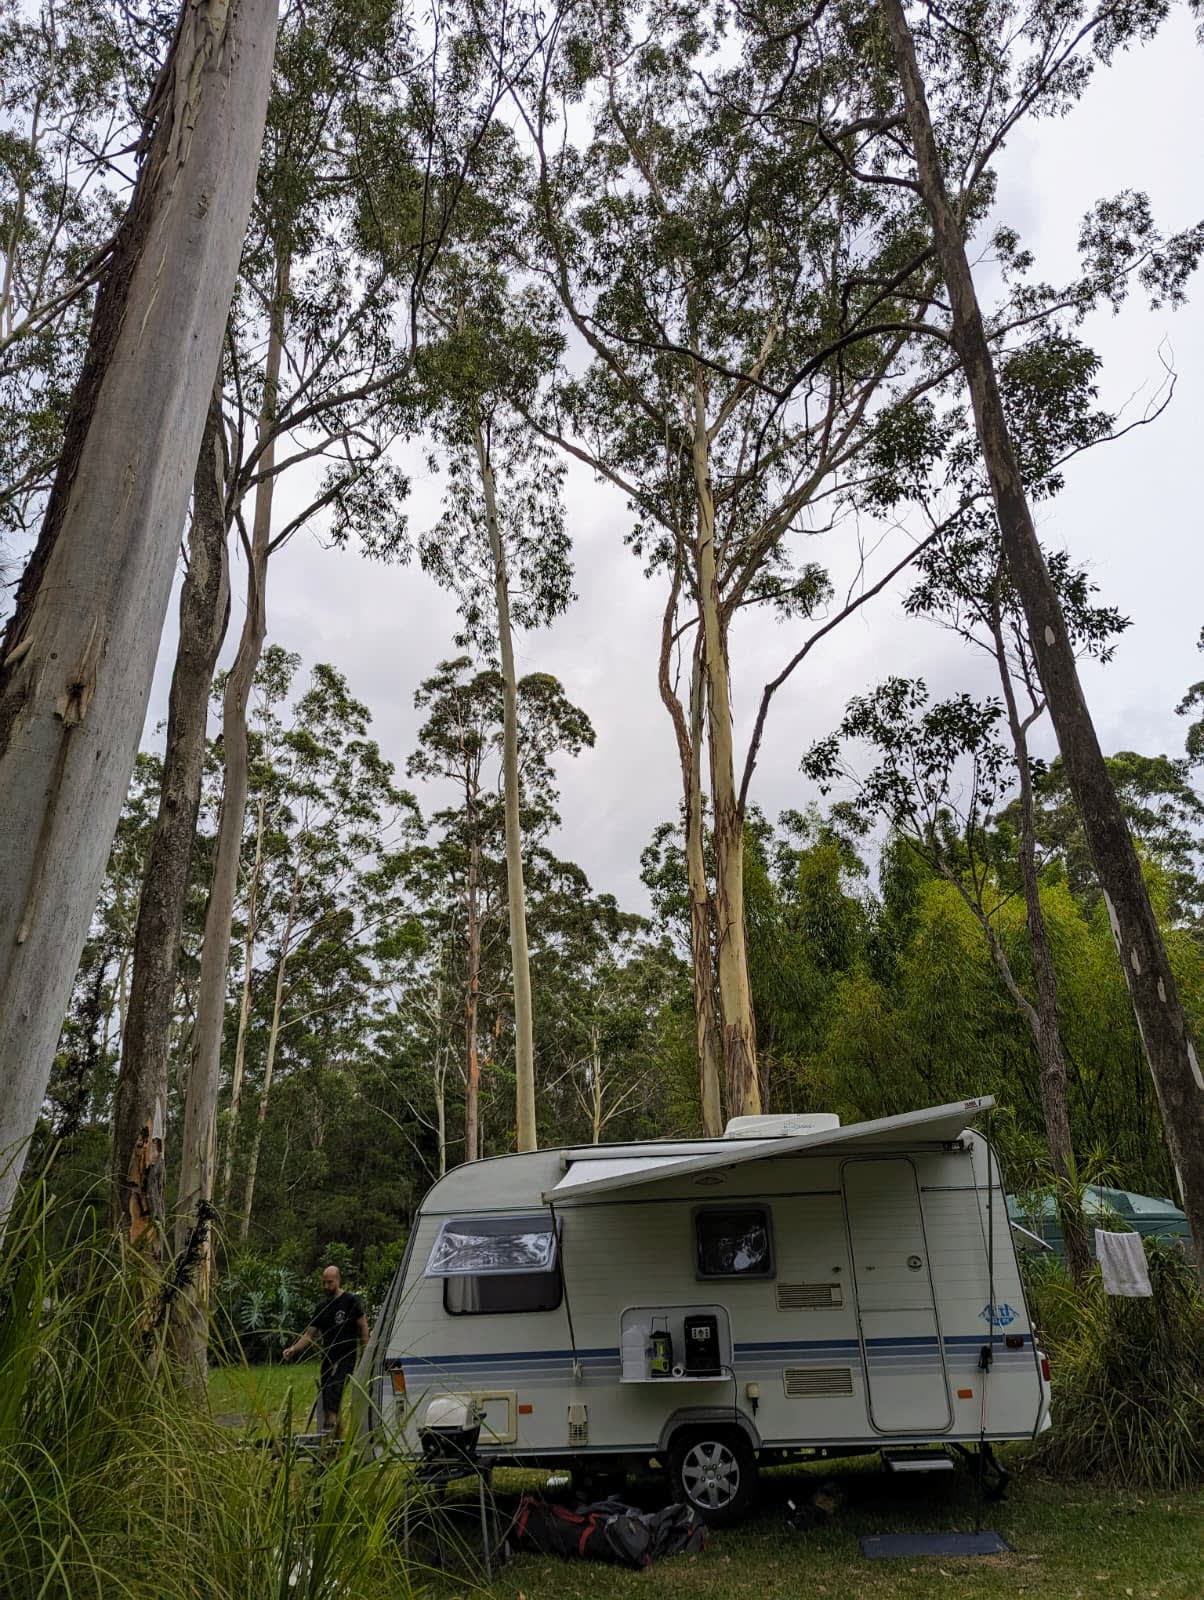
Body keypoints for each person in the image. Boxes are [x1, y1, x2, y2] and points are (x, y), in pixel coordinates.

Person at [283, 1265, 370, 1437]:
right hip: (328, 1358)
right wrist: (293, 1349)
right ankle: (335, 1434)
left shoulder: (350, 1301)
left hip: (347, 1356)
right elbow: (310, 1334)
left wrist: (366, 1350)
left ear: (338, 1280)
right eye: (324, 1283)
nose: (326, 1286)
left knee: (335, 1389)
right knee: (326, 1395)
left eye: (330, 1282)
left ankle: (330, 1429)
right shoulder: (322, 1307)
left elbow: (363, 1325)